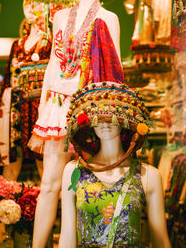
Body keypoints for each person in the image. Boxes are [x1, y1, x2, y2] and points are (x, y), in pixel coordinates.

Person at [28, 0, 124, 247]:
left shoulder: (109, 18)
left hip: (90, 109)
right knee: (48, 184)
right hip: (57, 106)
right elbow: (53, 66)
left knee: (88, 183)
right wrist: (44, 105)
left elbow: (115, 72)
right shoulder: (58, 18)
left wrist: (113, 117)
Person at [59, 81, 171, 248]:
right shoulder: (74, 171)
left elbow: (160, 240)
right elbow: (67, 237)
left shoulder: (148, 175)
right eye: (99, 118)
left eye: (112, 118)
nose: (105, 123)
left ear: (124, 123)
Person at [0, 0, 52, 242]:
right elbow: (7, 79)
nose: (32, 8)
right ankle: (2, 226)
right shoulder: (17, 44)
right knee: (9, 169)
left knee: (45, 167)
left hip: (39, 109)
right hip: (15, 109)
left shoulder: (49, 42)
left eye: (37, 4)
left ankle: (46, 227)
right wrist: (0, 115)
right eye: (27, 4)